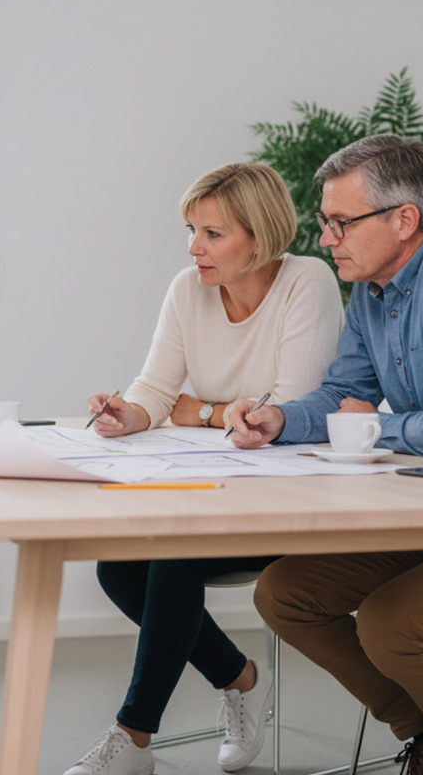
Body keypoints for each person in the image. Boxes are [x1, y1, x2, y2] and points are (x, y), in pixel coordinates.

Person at [64, 162, 344, 775]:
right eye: (191, 231)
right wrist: (128, 413)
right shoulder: (188, 289)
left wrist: (206, 411)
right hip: (220, 490)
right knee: (117, 568)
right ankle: (242, 679)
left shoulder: (308, 281)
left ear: (260, 236)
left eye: (212, 234)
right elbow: (157, 389)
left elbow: (289, 409)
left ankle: (133, 736)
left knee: (176, 555)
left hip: (294, 497)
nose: (194, 248)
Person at [227, 135, 423, 775]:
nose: (326, 238)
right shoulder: (373, 287)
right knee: (285, 594)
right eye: (325, 221)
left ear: (404, 220)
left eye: (341, 222)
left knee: (393, 624)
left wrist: (370, 428)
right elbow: (342, 393)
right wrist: (280, 419)